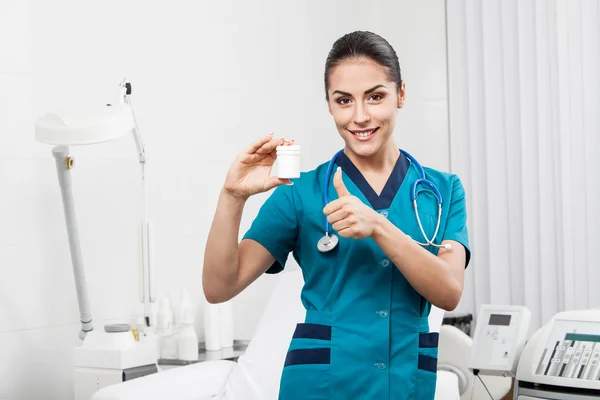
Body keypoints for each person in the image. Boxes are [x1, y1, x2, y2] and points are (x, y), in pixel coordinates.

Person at [203, 31, 470, 400]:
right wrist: (232, 196)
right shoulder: (301, 193)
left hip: (404, 383)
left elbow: (449, 291)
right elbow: (219, 287)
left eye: (375, 97)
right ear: (329, 105)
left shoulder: (443, 190)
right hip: (319, 388)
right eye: (344, 101)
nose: (360, 117)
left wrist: (377, 226)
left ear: (401, 94)